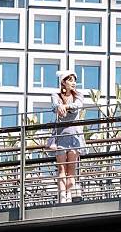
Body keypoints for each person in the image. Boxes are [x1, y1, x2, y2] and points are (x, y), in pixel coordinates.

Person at [51, 69, 86, 204]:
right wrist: (59, 107)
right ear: (63, 82)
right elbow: (55, 106)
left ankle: (69, 194)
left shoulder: (78, 95)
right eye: (70, 80)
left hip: (74, 136)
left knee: (71, 169)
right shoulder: (56, 95)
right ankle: (62, 196)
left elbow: (77, 106)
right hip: (61, 135)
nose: (73, 83)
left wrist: (64, 106)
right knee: (61, 169)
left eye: (74, 80)